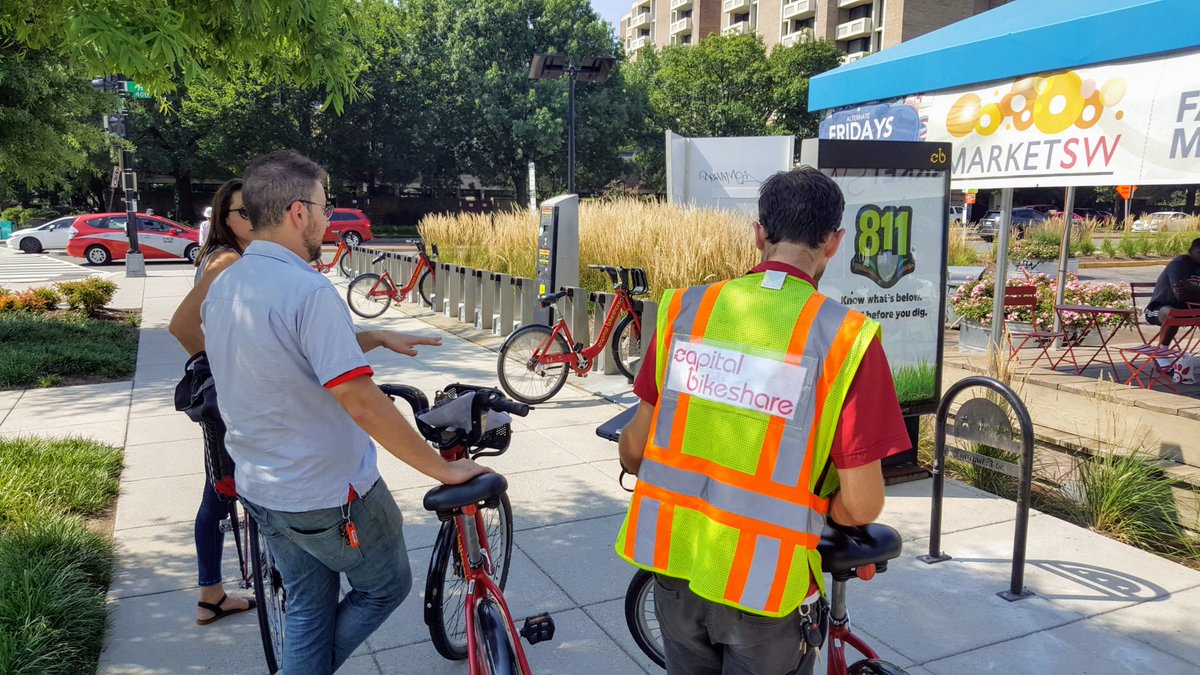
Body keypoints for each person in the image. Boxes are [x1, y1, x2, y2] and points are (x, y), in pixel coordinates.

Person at [201, 149, 490, 674]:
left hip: (262, 486)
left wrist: (372, 335)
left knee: (310, 606)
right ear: (297, 212)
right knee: (386, 588)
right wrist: (442, 468)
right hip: (327, 492)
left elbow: (280, 349)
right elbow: (360, 401)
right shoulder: (308, 290)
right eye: (325, 206)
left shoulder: (229, 286)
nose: (330, 218)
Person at [615, 168, 910, 675]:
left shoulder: (685, 311)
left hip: (673, 564)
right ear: (835, 243)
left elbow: (635, 451)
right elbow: (863, 503)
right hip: (766, 587)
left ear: (758, 232)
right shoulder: (846, 339)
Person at [169, 178, 257, 625]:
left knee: (219, 489)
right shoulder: (226, 261)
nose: (253, 217)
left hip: (233, 397)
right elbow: (182, 326)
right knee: (220, 491)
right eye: (243, 211)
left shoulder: (240, 258)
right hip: (230, 399)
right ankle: (210, 594)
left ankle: (212, 594)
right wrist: (224, 366)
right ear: (224, 219)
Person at [1145, 237, 1200, 345]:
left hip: (1190, 309)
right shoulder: (1179, 264)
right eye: (1199, 252)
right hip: (1159, 308)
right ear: (1190, 252)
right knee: (1173, 314)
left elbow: (1187, 293)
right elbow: (1181, 295)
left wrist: (1192, 289)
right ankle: (1162, 353)